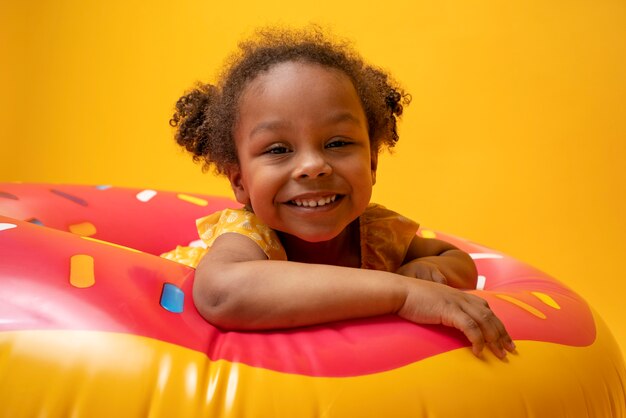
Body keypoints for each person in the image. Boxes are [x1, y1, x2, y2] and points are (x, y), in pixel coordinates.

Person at [163, 27, 515, 359]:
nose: (313, 166)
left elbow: (459, 262)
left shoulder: (378, 234)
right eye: (278, 149)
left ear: (373, 162)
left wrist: (426, 270)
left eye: (337, 143)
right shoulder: (248, 236)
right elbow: (221, 294)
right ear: (239, 181)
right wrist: (401, 293)